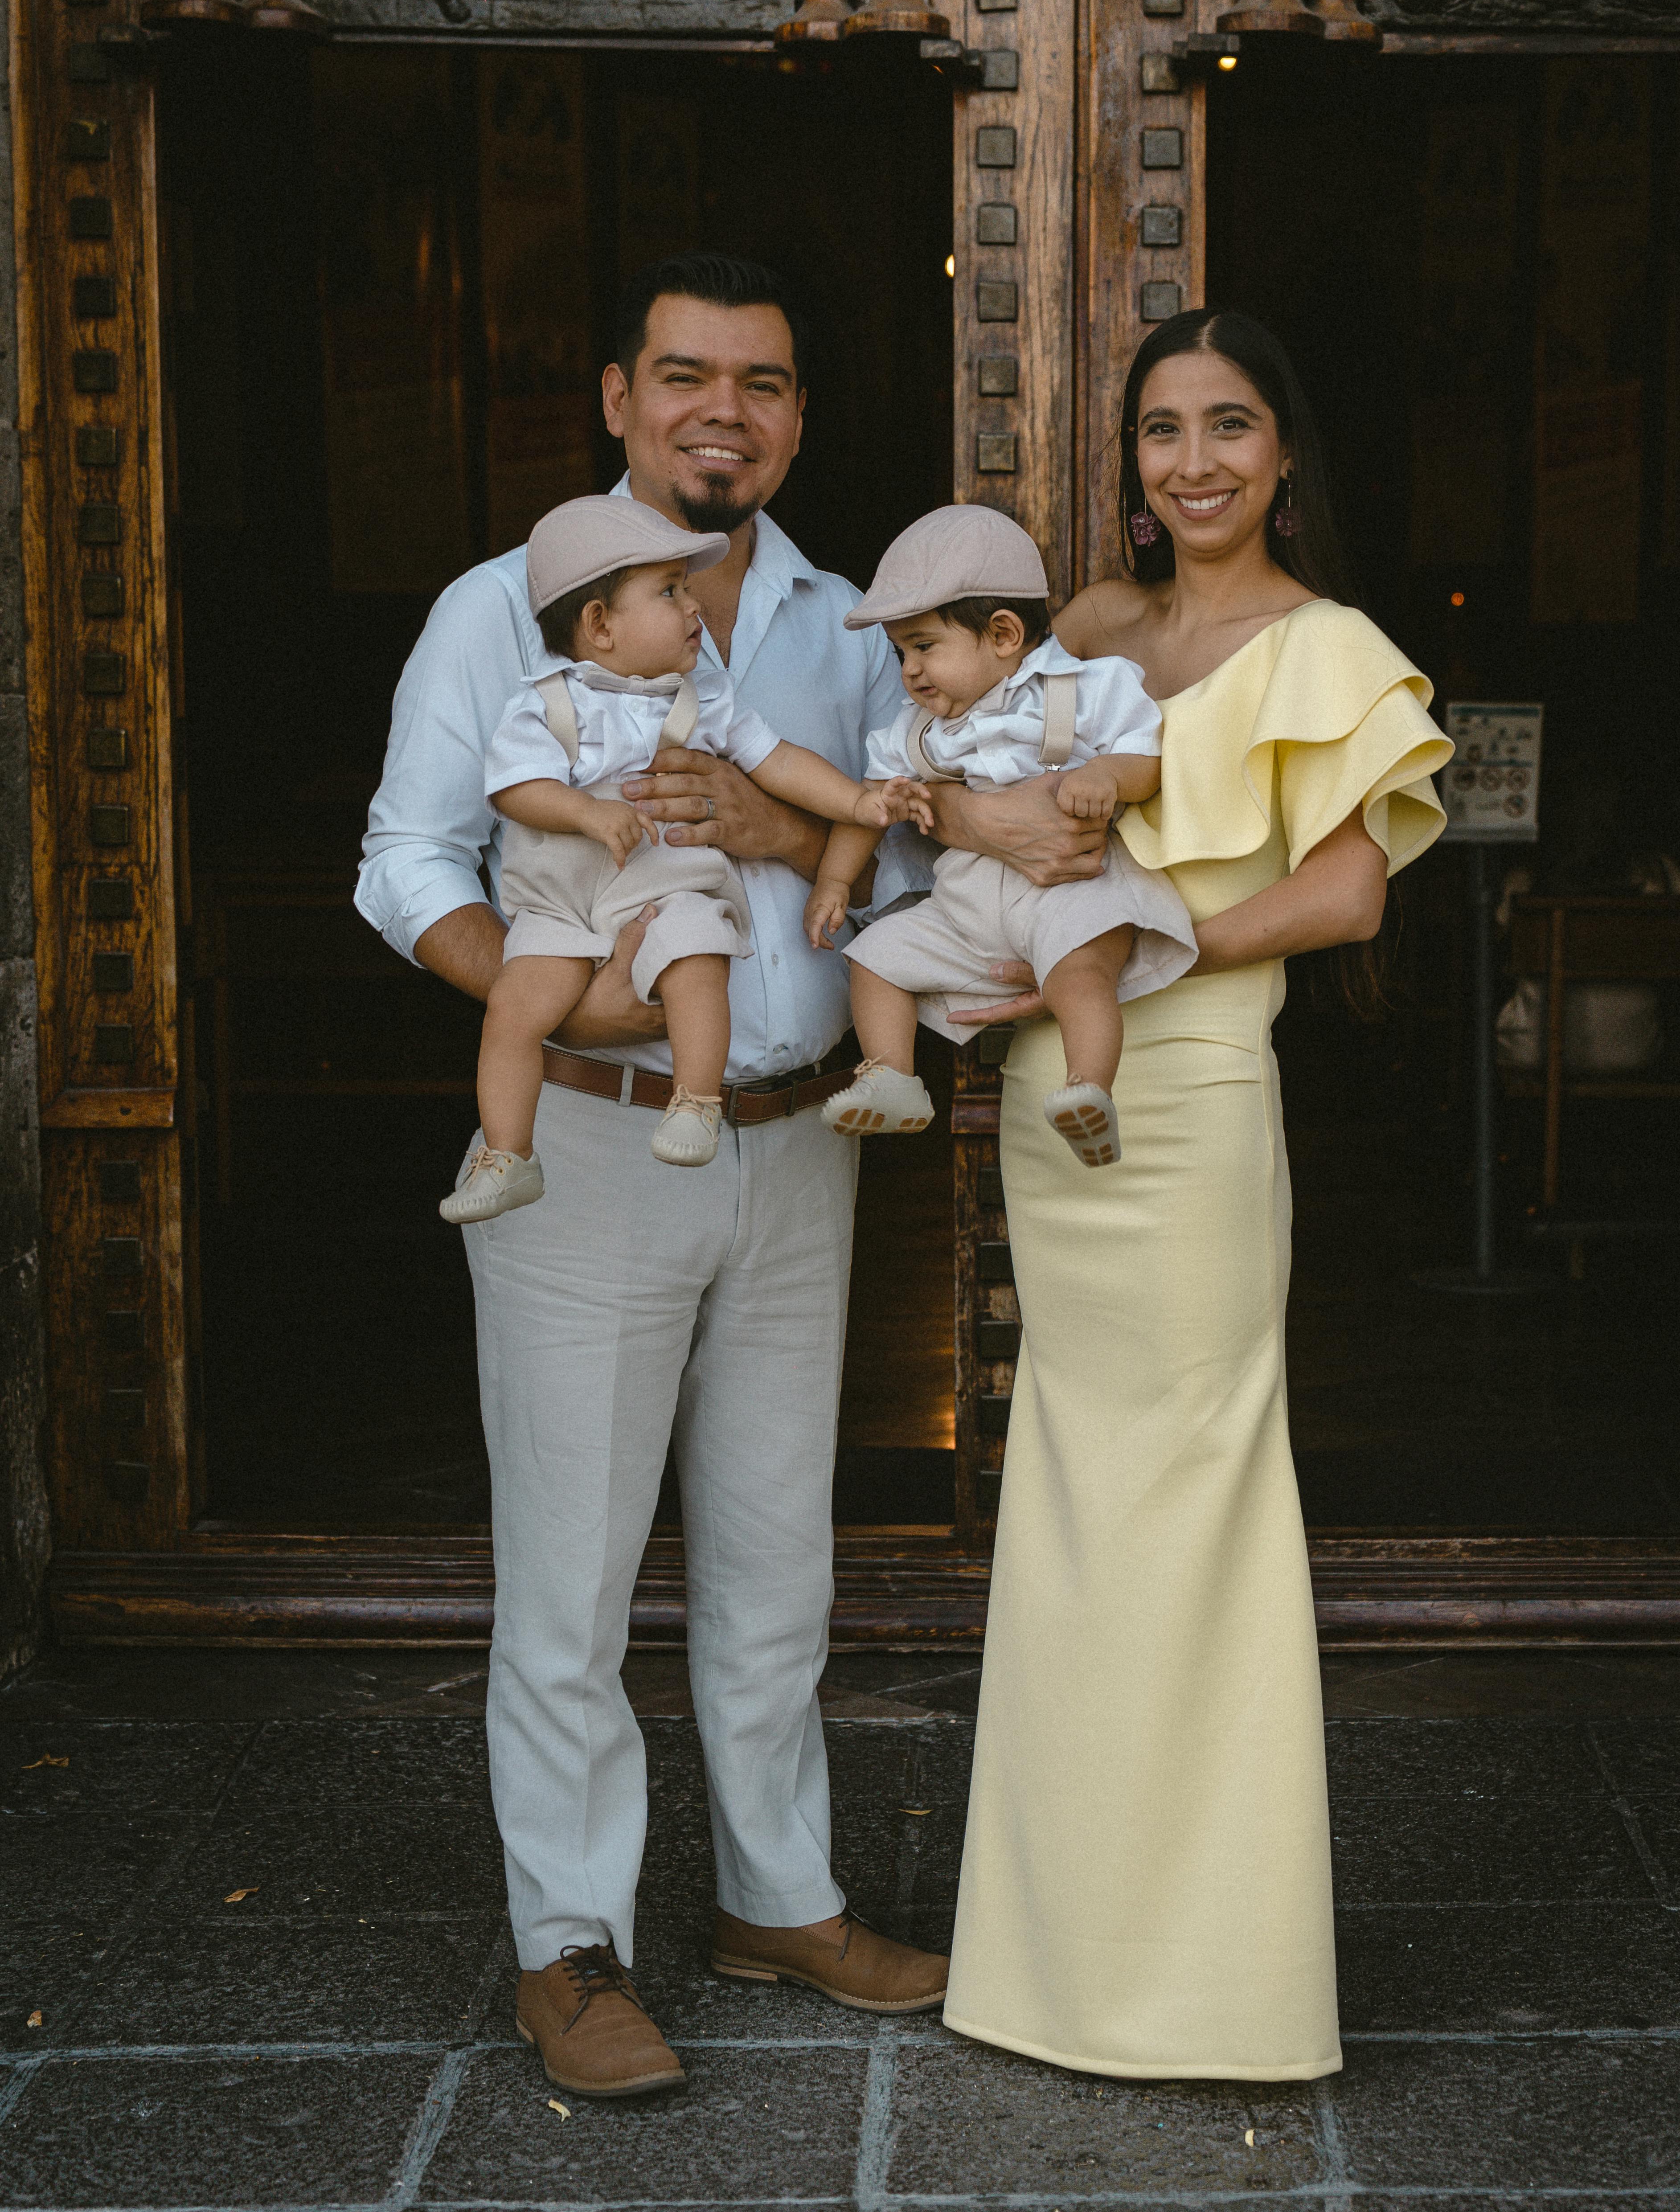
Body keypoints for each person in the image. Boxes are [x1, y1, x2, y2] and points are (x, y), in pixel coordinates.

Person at [356, 253, 973, 2099]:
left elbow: (928, 890)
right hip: (591, 1143)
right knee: (571, 1568)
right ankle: (571, 1940)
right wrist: (552, 1002)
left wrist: (786, 824)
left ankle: (778, 1890)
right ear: (615, 398)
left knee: (778, 1558)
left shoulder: (857, 623)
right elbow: (405, 855)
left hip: (794, 1145)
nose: (725, 408)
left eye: (762, 382)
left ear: (794, 415)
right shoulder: (499, 608)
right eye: (685, 374)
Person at [942, 310, 1451, 2078]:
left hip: (1194, 1091)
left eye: (1228, 423)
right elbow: (964, 807)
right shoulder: (1077, 626)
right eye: (1160, 428)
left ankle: (1213, 1979)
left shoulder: (1328, 648)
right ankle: (1050, 1962)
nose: (1193, 460)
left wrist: (1144, 948)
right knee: (1071, 1486)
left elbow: (1344, 898)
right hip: (1045, 1092)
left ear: (1283, 448)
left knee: (1193, 1486)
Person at [443, 493, 924, 1211]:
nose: (692, 606)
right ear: (600, 626)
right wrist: (583, 810)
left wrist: (856, 803)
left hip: (670, 888)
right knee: (513, 1008)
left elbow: (778, 761)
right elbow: (514, 788)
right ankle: (508, 1152)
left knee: (697, 958)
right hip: (564, 906)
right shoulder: (545, 703)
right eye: (669, 591)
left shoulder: (702, 698)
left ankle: (694, 1102)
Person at [805, 504, 1196, 1168]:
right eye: (901, 653)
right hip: (967, 904)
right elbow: (868, 808)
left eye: (924, 647)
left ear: (1005, 634)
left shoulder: (1083, 689)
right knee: (873, 957)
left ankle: (1089, 1089)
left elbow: (1146, 759)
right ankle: (892, 1076)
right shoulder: (914, 730)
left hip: (1072, 890)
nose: (909, 671)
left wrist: (1107, 774)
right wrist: (835, 879)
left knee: (1080, 977)